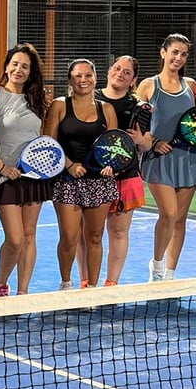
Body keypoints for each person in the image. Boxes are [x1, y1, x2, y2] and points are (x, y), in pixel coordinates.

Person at [0, 43, 50, 296]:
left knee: (29, 236)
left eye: (25, 66)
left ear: (31, 72)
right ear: (7, 67)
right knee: (15, 238)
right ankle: (1, 282)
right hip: (4, 178)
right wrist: (2, 167)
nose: (19, 69)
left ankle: (23, 294)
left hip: (33, 177)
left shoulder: (37, 101)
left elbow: (41, 137)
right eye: (15, 64)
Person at [73, 56, 153, 288]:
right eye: (117, 68)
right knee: (85, 233)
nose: (120, 73)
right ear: (108, 72)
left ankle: (111, 284)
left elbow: (146, 145)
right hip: (90, 176)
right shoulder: (88, 98)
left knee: (118, 232)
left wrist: (140, 140)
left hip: (124, 177)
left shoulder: (139, 108)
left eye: (127, 72)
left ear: (133, 80)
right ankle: (85, 282)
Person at [45, 59, 118, 291]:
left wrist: (111, 165)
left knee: (95, 237)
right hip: (66, 182)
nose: (83, 80)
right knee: (69, 238)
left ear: (95, 78)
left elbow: (114, 145)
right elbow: (49, 143)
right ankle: (66, 284)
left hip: (99, 183)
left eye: (88, 75)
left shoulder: (106, 109)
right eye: (78, 76)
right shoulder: (59, 105)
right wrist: (69, 165)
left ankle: (91, 289)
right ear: (70, 80)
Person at [136, 33, 196, 282]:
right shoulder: (148, 85)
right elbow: (136, 125)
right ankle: (157, 265)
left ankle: (171, 273)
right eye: (174, 52)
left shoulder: (192, 86)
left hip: (189, 158)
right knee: (169, 214)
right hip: (158, 158)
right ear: (163, 52)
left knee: (180, 218)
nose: (178, 58)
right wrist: (153, 143)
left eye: (183, 54)